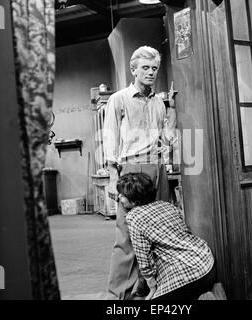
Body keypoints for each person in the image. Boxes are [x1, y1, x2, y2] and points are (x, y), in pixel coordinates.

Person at [103, 46, 177, 300]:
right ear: (133, 70)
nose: (150, 72)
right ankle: (119, 294)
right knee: (126, 232)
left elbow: (167, 139)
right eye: (145, 67)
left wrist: (173, 110)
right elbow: (111, 138)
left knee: (158, 228)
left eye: (154, 68)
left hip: (157, 167)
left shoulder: (159, 102)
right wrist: (114, 177)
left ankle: (149, 288)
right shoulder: (119, 99)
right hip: (132, 168)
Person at [117, 172, 216, 300]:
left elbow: (143, 258)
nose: (119, 197)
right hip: (207, 263)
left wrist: (152, 287)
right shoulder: (167, 205)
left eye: (122, 195)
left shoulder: (134, 216)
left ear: (134, 198)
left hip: (190, 274)